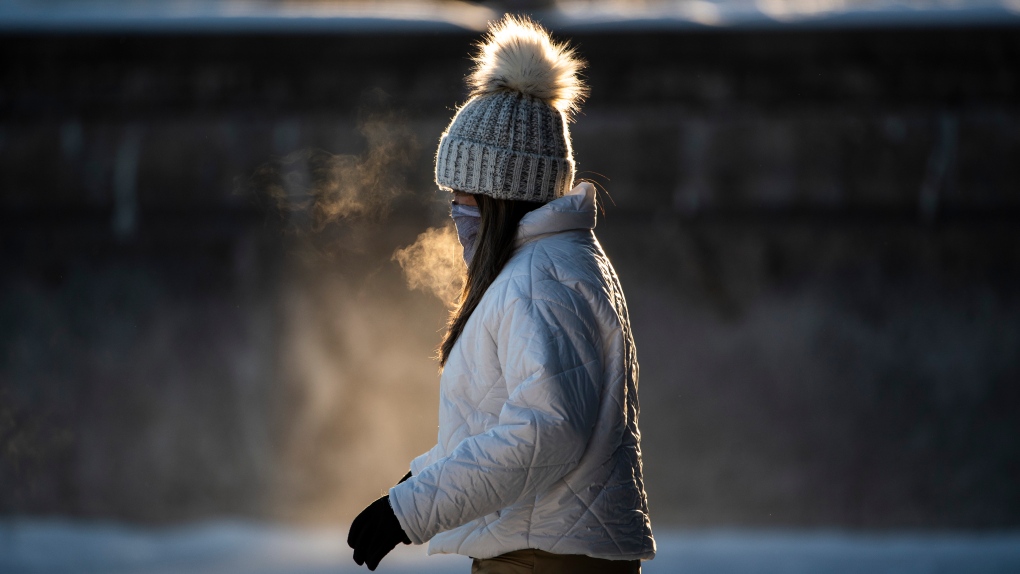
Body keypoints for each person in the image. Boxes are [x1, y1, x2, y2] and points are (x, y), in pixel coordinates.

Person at [347, 15, 655, 573]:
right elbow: (509, 415)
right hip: (548, 548)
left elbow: (545, 429)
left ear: (500, 195)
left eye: (462, 196)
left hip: (541, 559)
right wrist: (425, 476)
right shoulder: (557, 265)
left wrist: (409, 510)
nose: (454, 212)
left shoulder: (537, 281)